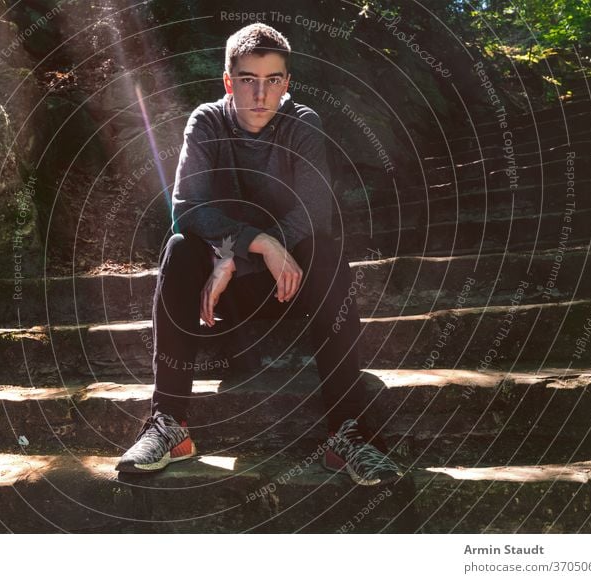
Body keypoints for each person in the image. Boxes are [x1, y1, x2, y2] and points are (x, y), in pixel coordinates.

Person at [115, 23, 402, 486]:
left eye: (273, 81)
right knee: (180, 248)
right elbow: (188, 208)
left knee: (326, 251)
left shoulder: (302, 123)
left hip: (290, 294)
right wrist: (258, 244)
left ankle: (349, 432)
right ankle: (169, 423)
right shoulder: (207, 121)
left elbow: (315, 212)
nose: (260, 94)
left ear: (286, 83)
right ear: (229, 82)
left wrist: (236, 256)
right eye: (248, 79)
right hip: (222, 304)